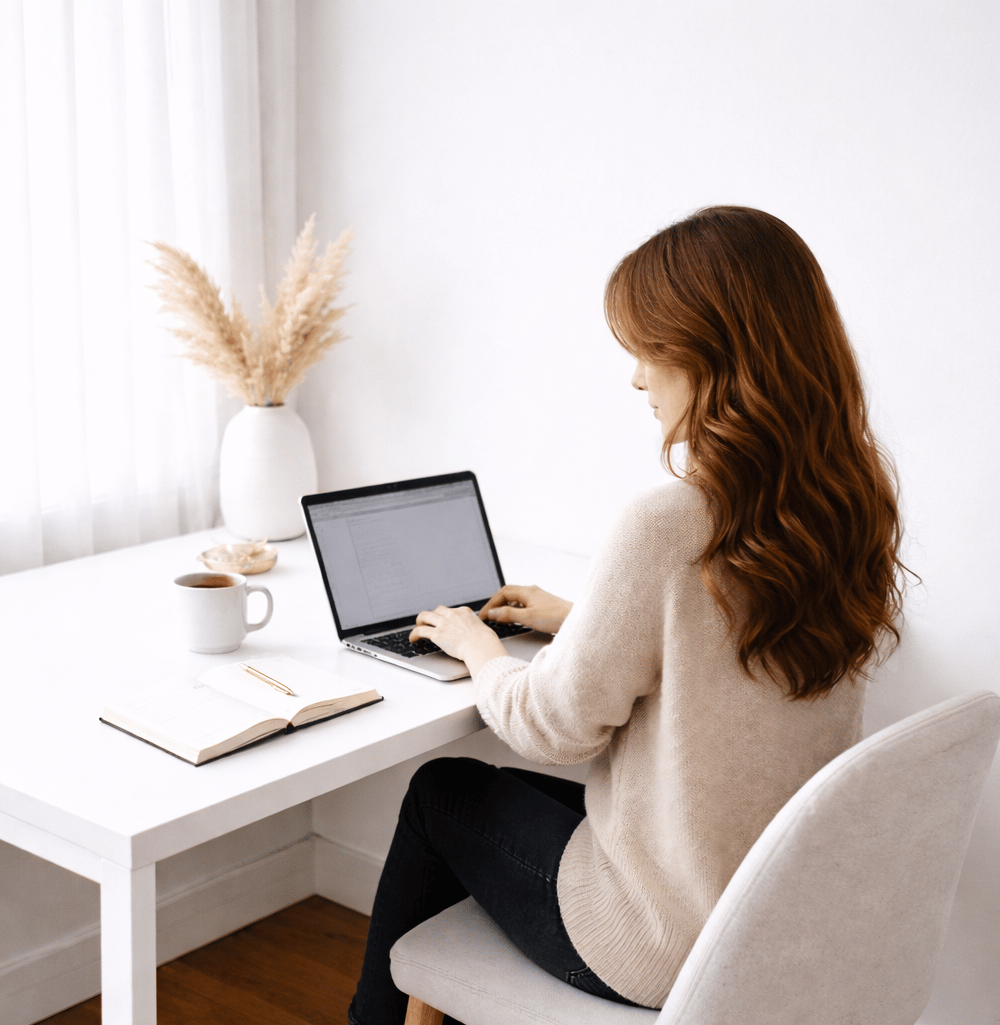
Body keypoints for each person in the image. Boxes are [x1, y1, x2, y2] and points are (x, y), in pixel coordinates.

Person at [347, 206, 907, 1025]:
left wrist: (478, 648)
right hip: (764, 907)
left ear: (713, 353)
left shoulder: (671, 522)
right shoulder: (847, 501)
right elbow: (726, 656)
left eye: (649, 351)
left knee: (442, 792)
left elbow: (553, 727)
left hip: (666, 940)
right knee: (492, 797)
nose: (637, 378)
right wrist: (583, 619)